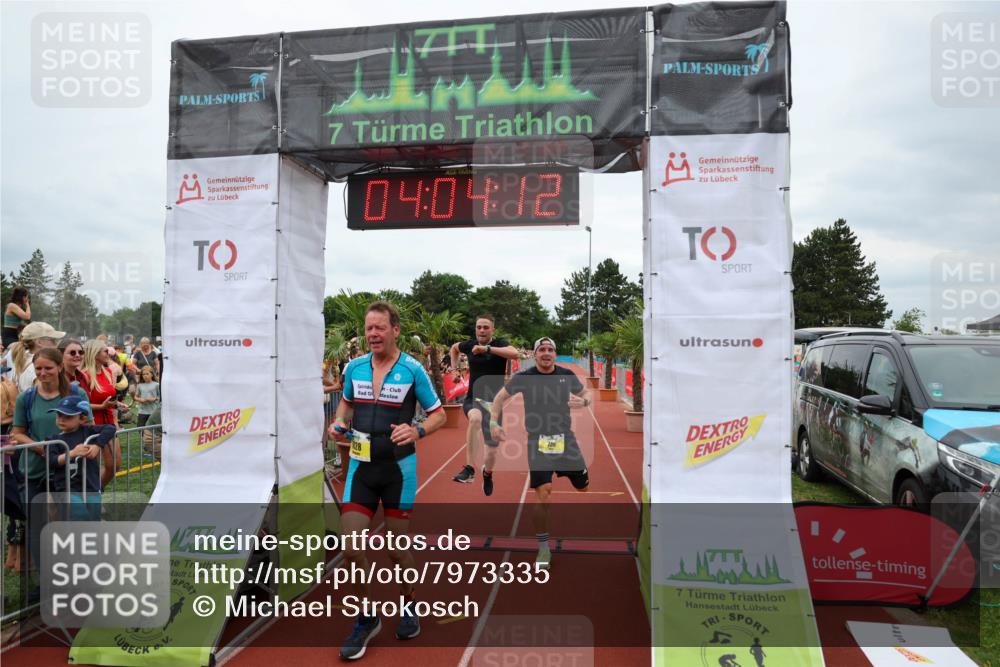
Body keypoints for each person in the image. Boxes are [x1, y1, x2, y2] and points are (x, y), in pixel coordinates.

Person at [328, 301, 446, 660]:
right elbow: (345, 406)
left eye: (380, 327)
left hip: (398, 471)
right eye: (369, 328)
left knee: (396, 550)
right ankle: (367, 617)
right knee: (351, 546)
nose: (373, 334)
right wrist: (338, 424)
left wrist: (418, 430)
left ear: (395, 330)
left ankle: (409, 605)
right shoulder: (355, 367)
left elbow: (439, 415)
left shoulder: (412, 369)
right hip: (361, 468)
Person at [490, 337, 591, 569]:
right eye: (542, 349)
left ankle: (580, 472)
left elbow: (586, 393)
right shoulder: (524, 377)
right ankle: (544, 548)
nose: (546, 353)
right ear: (535, 354)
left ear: (555, 354)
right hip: (538, 442)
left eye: (550, 350)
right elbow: (499, 398)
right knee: (544, 493)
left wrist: (584, 402)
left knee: (583, 487)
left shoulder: (566, 375)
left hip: (566, 441)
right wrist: (494, 423)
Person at [9, 347, 90, 583]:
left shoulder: (76, 393)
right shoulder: (27, 398)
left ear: (59, 367)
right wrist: (39, 448)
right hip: (34, 472)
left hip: (68, 473)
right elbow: (17, 432)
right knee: (38, 527)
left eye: (48, 368)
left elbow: (88, 427)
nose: (43, 373)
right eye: (38, 368)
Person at [449, 315, 519, 492]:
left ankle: (487, 474)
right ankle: (469, 469)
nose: (481, 330)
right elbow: (454, 348)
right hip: (473, 399)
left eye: (486, 327)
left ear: (492, 330)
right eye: (479, 327)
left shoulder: (500, 343)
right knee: (475, 419)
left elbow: (514, 353)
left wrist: (487, 349)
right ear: (475, 329)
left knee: (491, 453)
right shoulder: (469, 345)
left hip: (493, 405)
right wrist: (454, 370)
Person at [45, 395, 115, 521]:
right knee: (81, 516)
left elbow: (110, 428)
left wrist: (97, 445)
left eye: (68, 416)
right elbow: (52, 461)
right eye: (59, 415)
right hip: (67, 489)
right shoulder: (53, 440)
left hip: (91, 486)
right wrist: (72, 453)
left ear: (82, 418)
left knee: (94, 519)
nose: (61, 420)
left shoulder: (87, 431)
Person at [79, 340, 121, 487]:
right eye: (105, 350)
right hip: (91, 424)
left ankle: (97, 489)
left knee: (114, 465)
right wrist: (102, 406)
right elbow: (81, 405)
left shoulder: (108, 372)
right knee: (92, 468)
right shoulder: (84, 375)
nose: (108, 353)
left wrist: (117, 405)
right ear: (95, 354)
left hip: (109, 423)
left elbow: (109, 398)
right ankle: (92, 494)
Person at [11, 322, 65, 392]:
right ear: (39, 342)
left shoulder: (23, 359)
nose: (56, 344)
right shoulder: (38, 366)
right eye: (52, 340)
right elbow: (44, 396)